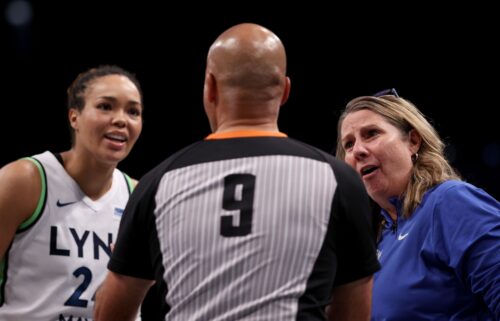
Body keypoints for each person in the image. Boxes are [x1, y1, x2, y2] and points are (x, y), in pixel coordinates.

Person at [94, 23, 380, 321]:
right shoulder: (338, 180)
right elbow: (354, 309)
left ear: (210, 87)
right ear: (284, 90)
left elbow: (109, 314)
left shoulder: (157, 183)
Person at [335, 90, 500, 320]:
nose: (358, 151)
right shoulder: (380, 238)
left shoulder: (451, 202)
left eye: (371, 134)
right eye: (349, 145)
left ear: (413, 141)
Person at [0, 65, 144, 320]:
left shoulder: (138, 195)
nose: (121, 119)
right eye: (105, 106)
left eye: (133, 111)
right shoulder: (24, 180)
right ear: (74, 117)